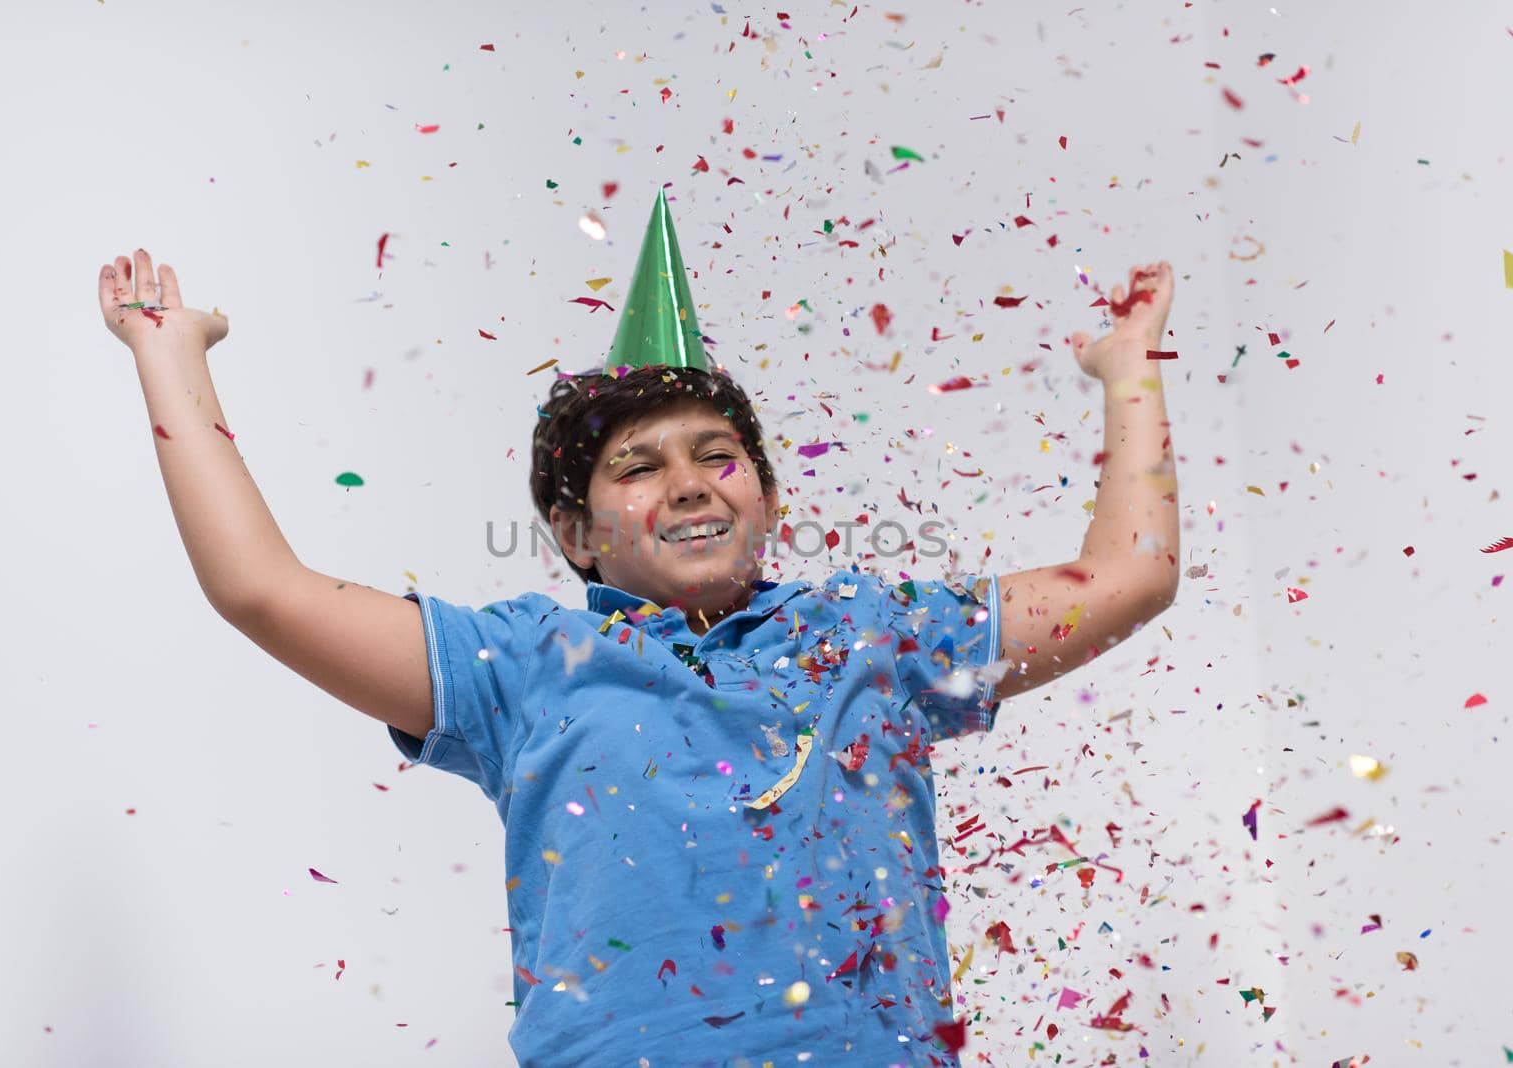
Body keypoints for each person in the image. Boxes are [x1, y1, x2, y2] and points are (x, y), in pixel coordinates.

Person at [98, 188, 1179, 1067]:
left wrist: (1129, 373)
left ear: (767, 498)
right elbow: (261, 591)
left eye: (716, 455)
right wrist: (168, 353)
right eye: (636, 466)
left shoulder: (875, 635)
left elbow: (1129, 576)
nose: (689, 485)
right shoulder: (522, 665)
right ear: (575, 533)